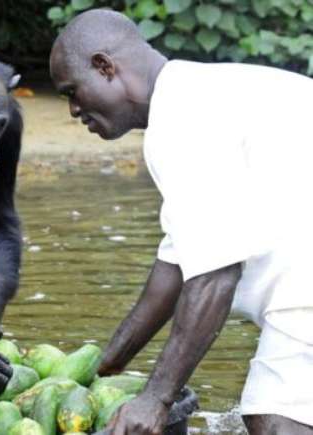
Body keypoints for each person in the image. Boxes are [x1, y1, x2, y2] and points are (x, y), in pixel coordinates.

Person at [50, 9, 313, 435]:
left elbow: (214, 277)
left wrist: (156, 398)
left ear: (105, 66)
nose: (73, 109)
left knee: (276, 419)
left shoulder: (182, 120)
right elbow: (172, 274)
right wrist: (102, 369)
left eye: (72, 91)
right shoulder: (195, 97)